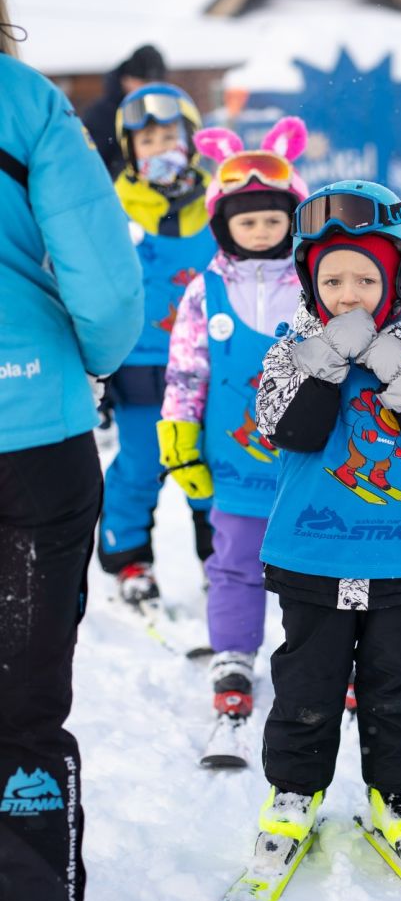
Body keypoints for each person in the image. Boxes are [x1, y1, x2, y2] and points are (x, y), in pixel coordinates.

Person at [250, 179, 401, 876]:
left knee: (399, 685)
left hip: (400, 559)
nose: (348, 294)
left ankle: (398, 795)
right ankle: (294, 794)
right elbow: (285, 428)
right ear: (309, 283)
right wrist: (324, 361)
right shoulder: (289, 352)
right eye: (333, 280)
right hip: (312, 556)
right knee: (306, 685)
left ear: (395, 281)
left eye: (365, 280)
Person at [0, 0, 143, 901]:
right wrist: (84, 357)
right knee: (23, 702)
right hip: (32, 432)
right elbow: (103, 280)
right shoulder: (24, 100)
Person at [157, 118, 309, 765]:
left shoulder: (313, 284)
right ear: (224, 225)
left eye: (274, 219)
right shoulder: (205, 291)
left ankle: (324, 657)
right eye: (247, 221)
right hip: (235, 460)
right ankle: (234, 656)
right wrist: (179, 437)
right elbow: (186, 371)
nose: (262, 230)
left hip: (309, 463)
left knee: (315, 566)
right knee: (236, 563)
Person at [97, 83, 216, 607]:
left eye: (169, 136)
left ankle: (223, 559)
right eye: (146, 141)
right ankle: (129, 559)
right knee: (142, 465)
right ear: (130, 151)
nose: (159, 148)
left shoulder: (220, 201)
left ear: (191, 140)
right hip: (141, 365)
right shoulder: (112, 205)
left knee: (213, 463)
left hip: (212, 364)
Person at [81, 44, 166, 179]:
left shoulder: (160, 112)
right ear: (127, 80)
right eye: (143, 82)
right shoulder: (101, 115)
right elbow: (88, 164)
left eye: (155, 83)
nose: (150, 88)